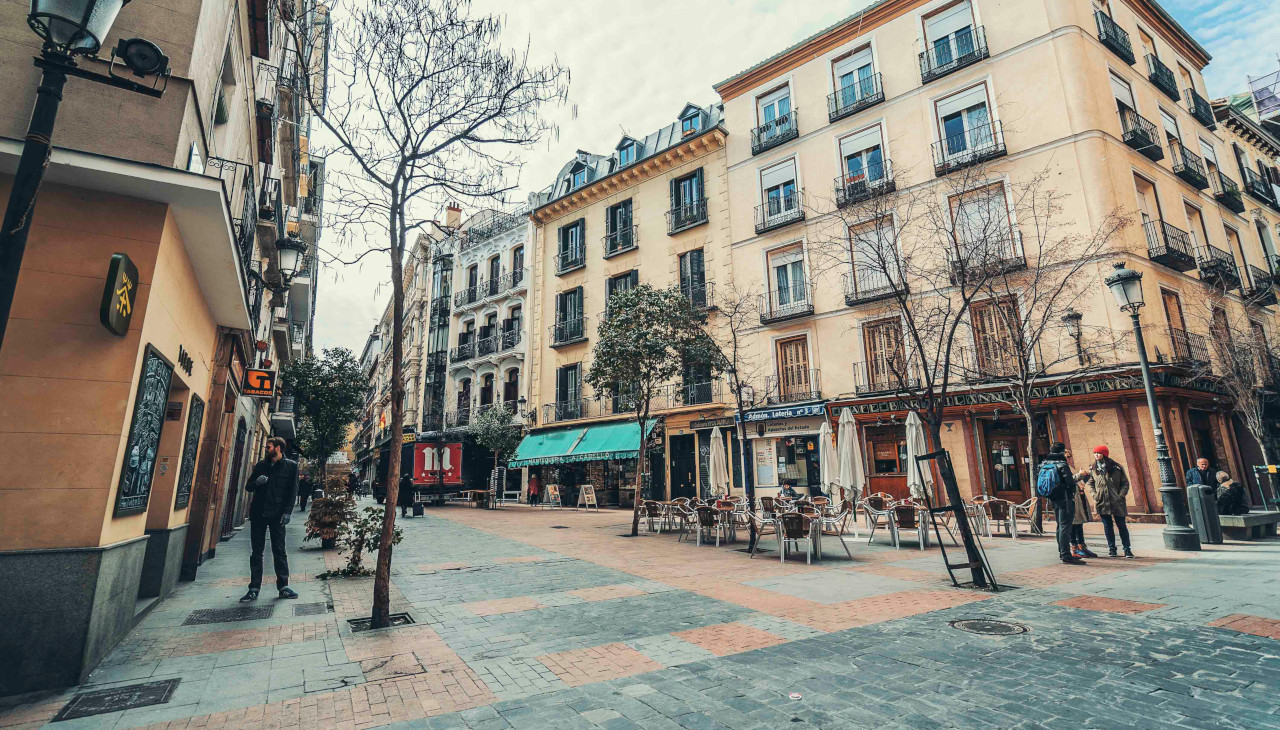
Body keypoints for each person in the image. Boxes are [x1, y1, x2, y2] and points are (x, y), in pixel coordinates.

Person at [241, 437, 300, 602]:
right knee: (256, 553)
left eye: (269, 447)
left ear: (278, 448)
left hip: (277, 514)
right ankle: (253, 588)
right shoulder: (261, 465)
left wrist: (287, 512)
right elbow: (248, 486)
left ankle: (283, 587)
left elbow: (292, 492)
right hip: (259, 514)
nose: (266, 449)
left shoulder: (291, 467)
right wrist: (257, 482)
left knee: (279, 551)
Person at [1079, 445, 1134, 558]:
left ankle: (1127, 549)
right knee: (1107, 526)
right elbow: (1090, 483)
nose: (1096, 455)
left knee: (1121, 525)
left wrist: (1120, 495)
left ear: (1104, 454)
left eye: (1099, 453)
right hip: (1102, 501)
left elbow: (1125, 483)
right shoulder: (1093, 469)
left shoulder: (1116, 467)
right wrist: (1094, 495)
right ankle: (1112, 549)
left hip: (1116, 501)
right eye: (1095, 453)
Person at [1038, 442, 1084, 565]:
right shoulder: (1062, 464)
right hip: (1065, 499)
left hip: (1053, 498)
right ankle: (1066, 555)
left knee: (1060, 526)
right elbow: (1070, 482)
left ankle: (1062, 552)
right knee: (1065, 526)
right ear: (1062, 452)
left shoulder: (1044, 464)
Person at [1064, 449, 1097, 559]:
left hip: (1079, 497)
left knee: (1079, 523)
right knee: (1074, 524)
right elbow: (1068, 481)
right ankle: (1074, 548)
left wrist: (1085, 476)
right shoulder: (1063, 468)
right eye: (1067, 457)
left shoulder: (1071, 468)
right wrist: (1079, 475)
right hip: (1071, 499)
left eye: (1070, 457)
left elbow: (1079, 482)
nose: (1069, 459)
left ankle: (1082, 546)